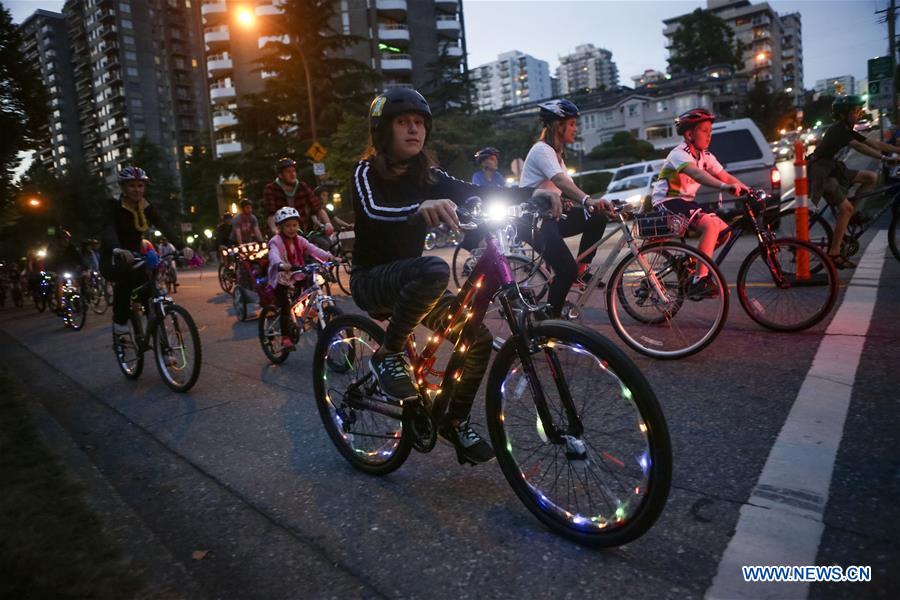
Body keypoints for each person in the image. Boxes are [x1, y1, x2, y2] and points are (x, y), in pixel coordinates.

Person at [350, 87, 554, 465]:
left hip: (414, 286)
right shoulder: (365, 172)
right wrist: (417, 208)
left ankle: (452, 419)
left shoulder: (428, 174)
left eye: (419, 123)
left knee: (476, 337)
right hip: (372, 281)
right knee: (436, 268)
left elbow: (473, 190)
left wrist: (532, 193)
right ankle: (388, 353)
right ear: (382, 130)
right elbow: (375, 210)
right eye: (402, 122)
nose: (414, 130)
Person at [518, 98, 613, 316]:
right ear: (556, 125)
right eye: (571, 124)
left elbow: (560, 188)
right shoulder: (541, 150)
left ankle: (581, 271)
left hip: (551, 214)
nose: (575, 129)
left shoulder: (557, 154)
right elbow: (561, 181)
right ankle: (548, 324)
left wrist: (576, 202)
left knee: (596, 218)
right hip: (533, 220)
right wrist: (588, 200)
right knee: (564, 270)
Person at [650, 108, 748, 295]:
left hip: (685, 202)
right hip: (667, 201)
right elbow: (698, 174)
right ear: (689, 134)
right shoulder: (679, 154)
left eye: (710, 131)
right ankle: (699, 281)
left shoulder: (706, 156)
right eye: (704, 130)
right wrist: (723, 187)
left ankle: (692, 263)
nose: (709, 135)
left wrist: (749, 191)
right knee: (710, 225)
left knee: (724, 231)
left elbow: (725, 176)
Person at [808, 95, 900, 268]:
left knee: (871, 177)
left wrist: (897, 150)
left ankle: (852, 217)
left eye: (859, 110)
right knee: (846, 208)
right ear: (844, 114)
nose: (859, 114)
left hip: (834, 168)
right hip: (822, 172)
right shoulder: (838, 130)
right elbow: (859, 147)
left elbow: (875, 143)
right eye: (855, 111)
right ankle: (834, 252)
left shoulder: (847, 128)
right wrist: (884, 159)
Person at [100, 167, 192, 341]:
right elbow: (108, 229)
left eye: (141, 186)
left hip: (136, 255)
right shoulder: (113, 205)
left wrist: (181, 246)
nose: (137, 190)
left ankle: (157, 333)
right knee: (126, 277)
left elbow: (163, 225)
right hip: (113, 257)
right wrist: (117, 248)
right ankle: (119, 322)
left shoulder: (145, 206)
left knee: (150, 288)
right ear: (123, 187)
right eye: (132, 186)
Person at [267, 206, 335, 350]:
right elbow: (273, 255)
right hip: (281, 276)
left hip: (296, 273)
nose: (291, 229)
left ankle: (304, 309)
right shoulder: (276, 241)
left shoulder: (300, 240)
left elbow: (313, 250)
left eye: (294, 225)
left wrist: (329, 256)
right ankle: (285, 336)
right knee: (285, 306)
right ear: (280, 227)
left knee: (308, 286)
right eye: (287, 226)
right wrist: (279, 264)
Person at [263, 157, 334, 238]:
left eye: (293, 171)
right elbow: (271, 214)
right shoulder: (271, 189)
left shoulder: (302, 186)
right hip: (280, 233)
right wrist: (274, 230)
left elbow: (317, 207)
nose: (292, 174)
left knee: (324, 244)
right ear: (280, 175)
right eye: (288, 172)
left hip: (300, 232)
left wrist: (328, 223)